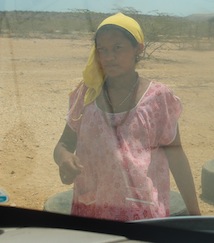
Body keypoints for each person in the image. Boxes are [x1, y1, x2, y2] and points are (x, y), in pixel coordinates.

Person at [53, 13, 201, 221]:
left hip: (141, 213)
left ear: (138, 48)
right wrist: (65, 159)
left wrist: (196, 217)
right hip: (91, 210)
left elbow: (176, 157)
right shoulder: (87, 93)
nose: (108, 57)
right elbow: (63, 145)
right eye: (102, 50)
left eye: (117, 48)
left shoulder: (157, 98)